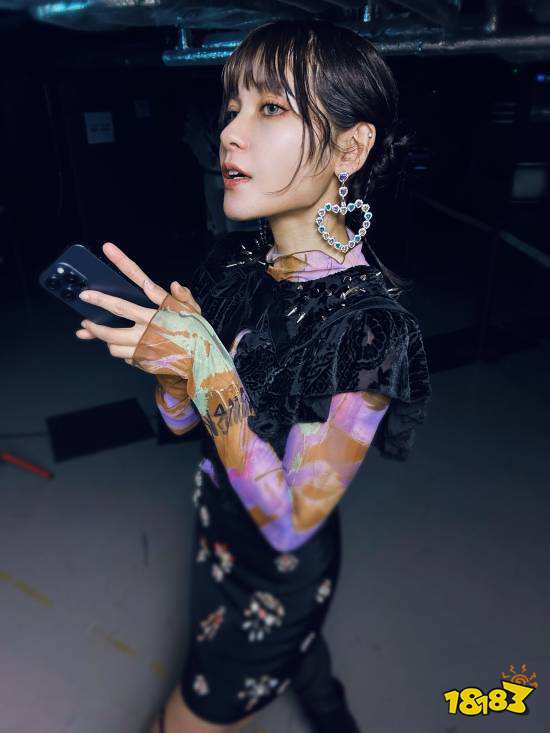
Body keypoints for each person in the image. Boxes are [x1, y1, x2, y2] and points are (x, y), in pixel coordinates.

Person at [75, 18, 432, 733]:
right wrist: (174, 375)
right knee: (300, 670)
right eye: (233, 106)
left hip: (274, 575)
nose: (231, 133)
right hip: (217, 534)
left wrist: (209, 368)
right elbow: (184, 424)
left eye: (270, 108)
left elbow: (293, 520)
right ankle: (329, 708)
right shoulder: (234, 265)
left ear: (350, 148)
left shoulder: (366, 328)